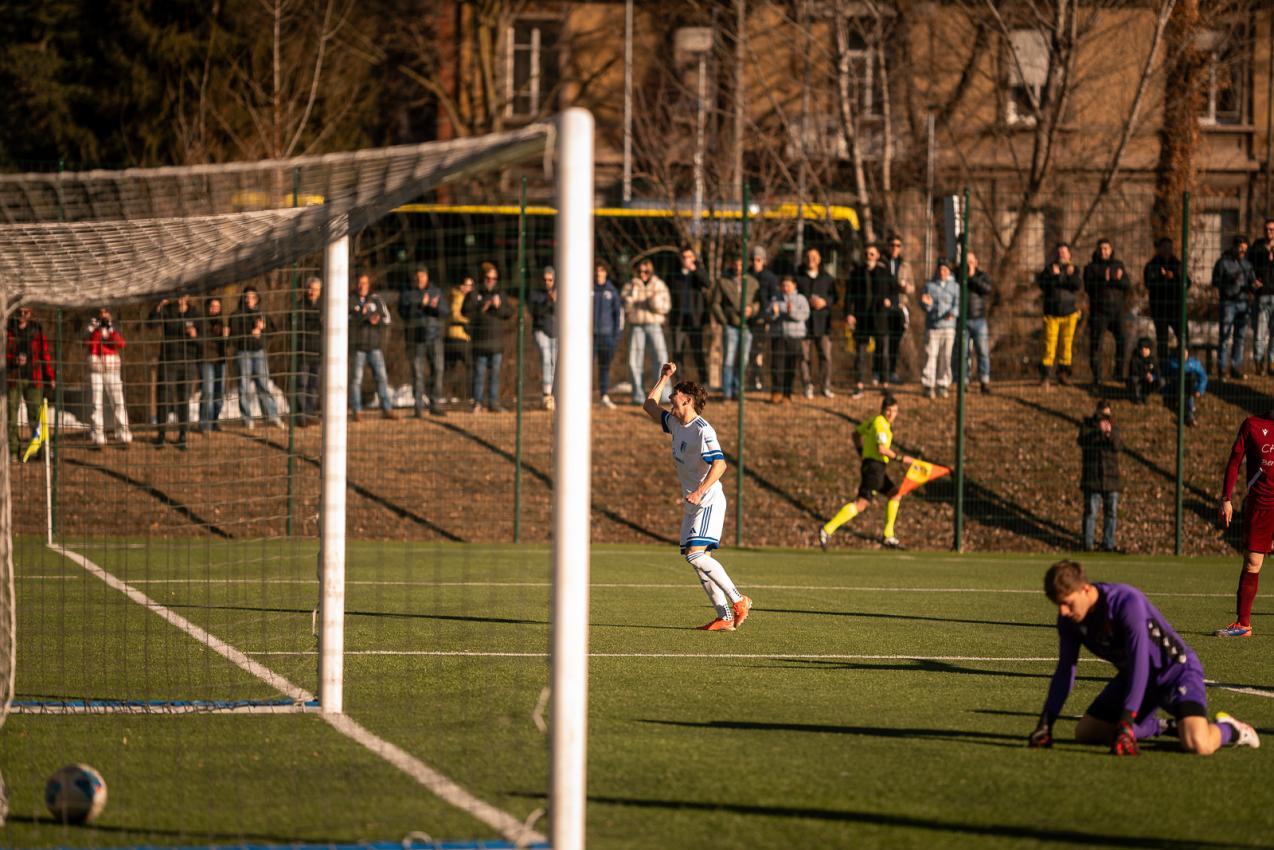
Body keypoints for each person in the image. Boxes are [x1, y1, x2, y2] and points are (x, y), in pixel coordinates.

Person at [1027, 560, 1258, 755]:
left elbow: (1140, 663)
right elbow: (1066, 670)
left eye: (1067, 603)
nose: (1063, 612)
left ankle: (1232, 729)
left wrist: (1126, 722)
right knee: (1087, 732)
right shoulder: (1069, 620)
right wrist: (1045, 724)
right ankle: (1164, 726)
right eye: (1058, 605)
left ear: (1085, 589)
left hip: (1176, 674)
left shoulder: (1126, 602)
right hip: (1135, 678)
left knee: (1198, 743)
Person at [642, 361, 752, 631]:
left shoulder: (703, 430)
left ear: (688, 400)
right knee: (698, 562)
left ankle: (739, 600)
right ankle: (724, 616)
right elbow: (648, 405)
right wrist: (664, 377)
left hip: (709, 501)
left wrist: (700, 491)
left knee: (695, 556)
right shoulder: (676, 423)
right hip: (693, 503)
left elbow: (721, 464)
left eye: (675, 396)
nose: (670, 399)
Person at [819, 394, 915, 550]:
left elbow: (856, 434)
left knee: (895, 494)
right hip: (874, 468)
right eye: (889, 410)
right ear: (883, 410)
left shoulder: (874, 421)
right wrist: (901, 458)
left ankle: (888, 535)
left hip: (875, 467)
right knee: (861, 504)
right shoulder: (881, 424)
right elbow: (882, 449)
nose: (892, 414)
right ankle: (827, 529)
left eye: (895, 411)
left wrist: (861, 452)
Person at [1215, 408, 1274, 638]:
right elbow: (1234, 461)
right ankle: (1243, 624)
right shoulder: (1252, 425)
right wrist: (1226, 498)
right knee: (1252, 563)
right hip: (1261, 505)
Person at [149, 292, 201, 449]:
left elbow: (203, 340)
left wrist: (195, 336)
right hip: (168, 361)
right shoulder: (167, 310)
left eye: (184, 294)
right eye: (178, 294)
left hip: (187, 362)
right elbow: (151, 324)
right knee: (163, 397)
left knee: (183, 399)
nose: (180, 297)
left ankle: (182, 435)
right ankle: (161, 435)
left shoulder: (195, 314)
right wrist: (159, 306)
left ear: (188, 296)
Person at [463, 261, 514, 412]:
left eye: (494, 278)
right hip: (480, 342)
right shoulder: (475, 294)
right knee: (479, 373)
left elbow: (509, 313)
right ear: (483, 278)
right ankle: (477, 403)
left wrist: (498, 306)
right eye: (488, 278)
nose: (491, 281)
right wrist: (484, 305)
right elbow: (465, 310)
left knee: (495, 375)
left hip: (496, 342)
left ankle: (493, 403)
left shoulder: (501, 294)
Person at [230, 286, 283, 429]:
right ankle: (247, 419)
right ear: (243, 298)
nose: (249, 300)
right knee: (244, 386)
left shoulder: (261, 314)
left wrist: (263, 328)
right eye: (247, 297)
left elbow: (273, 331)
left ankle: (271, 416)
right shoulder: (236, 315)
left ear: (257, 298)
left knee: (263, 384)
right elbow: (233, 337)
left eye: (253, 297)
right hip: (243, 353)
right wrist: (250, 333)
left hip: (259, 352)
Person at [6, 306, 55, 459]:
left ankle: (41, 449)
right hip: (13, 378)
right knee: (11, 416)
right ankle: (13, 451)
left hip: (34, 377)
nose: (22, 315)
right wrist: (13, 360)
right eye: (19, 312)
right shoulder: (8, 329)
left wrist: (50, 376)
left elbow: (44, 354)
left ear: (30, 313)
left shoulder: (36, 330)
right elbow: (3, 352)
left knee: (36, 415)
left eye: (25, 312)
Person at [844, 243, 891, 399]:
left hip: (879, 318)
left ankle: (884, 384)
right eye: (866, 254)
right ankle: (859, 385)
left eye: (872, 254)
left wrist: (889, 301)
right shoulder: (857, 273)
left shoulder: (884, 273)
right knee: (860, 354)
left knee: (882, 352)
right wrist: (849, 313)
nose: (868, 257)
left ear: (877, 256)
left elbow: (893, 290)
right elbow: (849, 295)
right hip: (862, 318)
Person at [399, 268, 446, 417]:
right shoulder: (407, 294)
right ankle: (418, 407)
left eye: (423, 277)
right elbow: (403, 313)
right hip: (415, 339)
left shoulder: (436, 291)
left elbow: (445, 311)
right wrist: (421, 303)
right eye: (417, 277)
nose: (420, 280)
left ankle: (435, 404)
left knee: (438, 370)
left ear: (427, 277)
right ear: (414, 278)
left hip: (434, 337)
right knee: (417, 374)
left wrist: (434, 306)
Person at [622, 259, 671, 404]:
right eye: (640, 271)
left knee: (661, 358)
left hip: (654, 325)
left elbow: (665, 307)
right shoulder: (630, 285)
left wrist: (652, 301)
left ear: (651, 271)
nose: (643, 274)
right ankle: (637, 395)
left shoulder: (659, 285)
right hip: (636, 326)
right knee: (634, 361)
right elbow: (625, 306)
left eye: (646, 271)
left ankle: (664, 394)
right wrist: (632, 298)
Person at [713, 257, 760, 401]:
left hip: (746, 326)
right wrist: (724, 321)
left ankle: (738, 390)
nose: (739, 267)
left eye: (742, 264)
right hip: (731, 326)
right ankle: (727, 392)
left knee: (743, 360)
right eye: (736, 264)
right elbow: (715, 303)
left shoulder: (753, 282)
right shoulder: (723, 282)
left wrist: (751, 310)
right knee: (728, 359)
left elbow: (758, 302)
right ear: (731, 264)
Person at [349, 273, 395, 421]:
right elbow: (346, 318)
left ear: (369, 284)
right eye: (359, 283)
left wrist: (376, 320)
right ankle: (357, 410)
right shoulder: (350, 299)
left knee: (382, 378)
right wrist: (364, 316)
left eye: (364, 283)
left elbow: (386, 318)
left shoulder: (376, 299)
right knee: (356, 380)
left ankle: (387, 409)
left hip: (375, 346)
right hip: (358, 347)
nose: (362, 286)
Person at [84, 306, 132, 448]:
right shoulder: (91, 326)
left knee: (118, 401)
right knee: (96, 403)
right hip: (96, 367)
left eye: (106, 312)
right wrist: (97, 330)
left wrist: (110, 329)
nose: (103, 315)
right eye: (101, 313)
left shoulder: (115, 326)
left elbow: (121, 343)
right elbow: (89, 344)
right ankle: (97, 435)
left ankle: (123, 433)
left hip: (112, 368)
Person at [1083, 238, 1128, 386]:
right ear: (1097, 250)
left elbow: (1126, 284)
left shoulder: (1119, 265)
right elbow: (1088, 287)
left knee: (1122, 341)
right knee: (1096, 344)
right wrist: (1105, 278)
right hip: (1099, 312)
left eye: (1106, 248)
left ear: (1111, 250)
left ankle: (1119, 373)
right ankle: (1097, 376)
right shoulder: (1090, 268)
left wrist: (1116, 280)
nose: (1104, 251)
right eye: (1101, 249)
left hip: (1117, 311)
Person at [1078, 400, 1121, 552]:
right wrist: (1098, 431)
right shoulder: (1087, 426)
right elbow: (1083, 441)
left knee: (1111, 513)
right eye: (1102, 414)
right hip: (1093, 477)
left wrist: (1108, 433)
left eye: (1107, 415)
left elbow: (1117, 445)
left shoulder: (1114, 427)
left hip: (1111, 477)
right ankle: (1087, 543)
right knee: (1091, 512)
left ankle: (1108, 543)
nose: (1105, 418)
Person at [1037, 243, 1082, 386]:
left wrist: (1062, 278)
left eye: (1065, 251)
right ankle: (1046, 376)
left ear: (1069, 255)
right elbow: (1043, 285)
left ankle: (1063, 374)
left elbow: (1076, 285)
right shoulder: (1049, 269)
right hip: (1051, 313)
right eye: (1059, 252)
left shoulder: (1074, 269)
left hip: (1069, 313)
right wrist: (1058, 277)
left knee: (1066, 345)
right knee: (1049, 345)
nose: (1062, 254)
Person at [1213, 235, 1255, 380]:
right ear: (1234, 247)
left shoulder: (1247, 265)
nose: (1242, 253)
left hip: (1243, 303)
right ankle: (1222, 368)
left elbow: (1251, 282)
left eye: (1244, 250)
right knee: (1224, 336)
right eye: (1240, 249)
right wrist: (1229, 282)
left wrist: (1254, 286)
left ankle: (1236, 367)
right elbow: (1215, 281)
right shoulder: (1223, 263)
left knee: (1240, 337)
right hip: (1228, 303)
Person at [797, 247, 838, 398]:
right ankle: (807, 385)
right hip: (804, 323)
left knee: (825, 356)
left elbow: (835, 297)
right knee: (804, 356)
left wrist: (825, 302)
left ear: (819, 259)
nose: (811, 260)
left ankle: (825, 385)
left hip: (823, 323)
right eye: (808, 256)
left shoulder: (827, 278)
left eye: (814, 257)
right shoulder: (798, 277)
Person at [667, 247, 711, 384]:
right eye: (684, 257)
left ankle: (704, 381)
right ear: (680, 259)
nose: (687, 259)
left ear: (694, 258)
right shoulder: (674, 275)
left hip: (695, 320)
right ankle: (679, 382)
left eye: (690, 256)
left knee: (697, 351)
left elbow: (707, 283)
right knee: (677, 352)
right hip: (678, 319)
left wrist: (695, 269)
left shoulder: (698, 273)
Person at [919, 259, 959, 399]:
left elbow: (958, 304)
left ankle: (943, 384)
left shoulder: (955, 287)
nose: (943, 272)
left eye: (945, 270)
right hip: (933, 327)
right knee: (931, 355)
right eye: (941, 269)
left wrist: (952, 313)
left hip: (948, 328)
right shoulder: (929, 286)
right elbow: (925, 305)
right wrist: (926, 304)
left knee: (946, 356)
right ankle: (928, 384)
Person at [767, 275, 809, 404]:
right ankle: (776, 392)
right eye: (783, 285)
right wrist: (774, 313)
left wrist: (789, 311)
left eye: (788, 285)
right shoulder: (775, 298)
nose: (785, 288)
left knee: (790, 366)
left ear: (794, 286)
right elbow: (769, 314)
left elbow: (804, 314)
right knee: (777, 365)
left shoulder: (801, 299)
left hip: (795, 336)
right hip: (778, 336)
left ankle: (787, 393)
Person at [1144, 237, 1183, 368]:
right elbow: (1149, 284)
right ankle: (1164, 366)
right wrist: (1162, 278)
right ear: (1158, 249)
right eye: (1164, 248)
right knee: (1162, 340)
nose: (1167, 250)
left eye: (1170, 248)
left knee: (1183, 337)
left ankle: (1182, 364)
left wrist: (1174, 277)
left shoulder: (1178, 264)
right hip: (1159, 309)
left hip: (1176, 308)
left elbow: (1187, 283)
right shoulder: (1151, 266)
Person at [957, 251, 993, 394]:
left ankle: (984, 381)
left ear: (976, 263)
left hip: (979, 319)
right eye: (967, 262)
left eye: (972, 261)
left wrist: (972, 276)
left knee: (983, 352)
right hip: (963, 319)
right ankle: (964, 381)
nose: (969, 264)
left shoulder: (981, 276)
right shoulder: (958, 275)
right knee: (964, 353)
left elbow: (987, 289)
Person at [746, 246, 779, 392]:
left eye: (758, 259)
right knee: (750, 352)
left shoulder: (770, 277)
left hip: (764, 319)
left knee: (760, 352)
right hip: (748, 319)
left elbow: (774, 296)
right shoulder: (747, 276)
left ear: (763, 261)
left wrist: (773, 308)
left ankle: (760, 380)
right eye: (753, 259)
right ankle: (752, 380)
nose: (755, 262)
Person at [882, 234, 914, 384]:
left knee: (895, 342)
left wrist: (906, 288)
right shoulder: (882, 263)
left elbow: (912, 287)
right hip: (883, 307)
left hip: (899, 307)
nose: (895, 248)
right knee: (882, 342)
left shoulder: (905, 265)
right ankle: (880, 374)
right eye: (892, 245)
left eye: (898, 245)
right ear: (887, 246)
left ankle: (892, 372)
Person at [593, 263, 623, 409]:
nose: (599, 273)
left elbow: (618, 315)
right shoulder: (587, 289)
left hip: (607, 336)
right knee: (585, 367)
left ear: (606, 273)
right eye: (597, 270)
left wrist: (615, 336)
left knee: (604, 367)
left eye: (601, 270)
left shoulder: (612, 291)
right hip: (589, 337)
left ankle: (604, 395)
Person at [528, 266, 558, 411]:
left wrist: (556, 301)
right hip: (540, 330)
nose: (547, 282)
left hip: (556, 332)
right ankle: (547, 393)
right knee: (546, 358)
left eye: (550, 280)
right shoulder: (536, 294)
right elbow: (535, 312)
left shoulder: (561, 293)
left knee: (555, 362)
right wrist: (548, 300)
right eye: (545, 280)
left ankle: (554, 394)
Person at [293, 279, 322, 426]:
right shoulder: (299, 307)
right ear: (305, 290)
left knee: (314, 385)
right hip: (303, 352)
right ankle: (301, 414)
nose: (312, 292)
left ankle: (310, 413)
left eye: (315, 289)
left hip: (318, 352)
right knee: (302, 384)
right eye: (310, 289)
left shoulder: (324, 307)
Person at [199, 296, 230, 433]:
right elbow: (200, 340)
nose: (215, 309)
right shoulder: (202, 321)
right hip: (206, 360)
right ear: (207, 307)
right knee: (208, 392)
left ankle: (214, 421)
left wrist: (226, 336)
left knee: (219, 393)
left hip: (221, 361)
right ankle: (204, 424)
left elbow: (227, 343)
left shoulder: (223, 322)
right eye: (212, 306)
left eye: (217, 307)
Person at [444, 276, 474, 404]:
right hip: (460, 337)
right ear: (461, 286)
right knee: (471, 367)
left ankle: (442, 394)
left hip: (453, 336)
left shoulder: (453, 295)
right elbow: (455, 314)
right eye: (468, 285)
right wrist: (469, 321)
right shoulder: (459, 297)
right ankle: (472, 396)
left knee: (449, 369)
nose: (470, 288)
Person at [1250, 219, 1274, 374]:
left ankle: (1272, 362)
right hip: (1262, 295)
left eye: (1272, 229)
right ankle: (1258, 363)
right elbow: (1248, 267)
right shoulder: (1257, 247)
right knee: (1260, 331)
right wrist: (1252, 281)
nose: (1269, 232)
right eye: (1266, 229)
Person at [1162, 346, 1207, 427]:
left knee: (1190, 379)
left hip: (1190, 388)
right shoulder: (1172, 363)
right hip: (1176, 388)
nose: (1183, 354)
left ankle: (1188, 415)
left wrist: (1199, 390)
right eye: (1181, 352)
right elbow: (1164, 375)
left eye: (1185, 352)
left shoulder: (1194, 363)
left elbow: (1203, 377)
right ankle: (1189, 416)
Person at [1126, 336, 1161, 405]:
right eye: (1142, 349)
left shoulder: (1153, 359)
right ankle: (1137, 397)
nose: (1143, 351)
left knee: (1161, 381)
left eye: (1146, 348)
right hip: (1139, 379)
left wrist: (1153, 377)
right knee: (1134, 379)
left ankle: (1145, 395)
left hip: (1149, 381)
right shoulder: (1135, 358)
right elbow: (1134, 371)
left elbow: (1158, 372)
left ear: (1149, 349)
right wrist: (1144, 375)